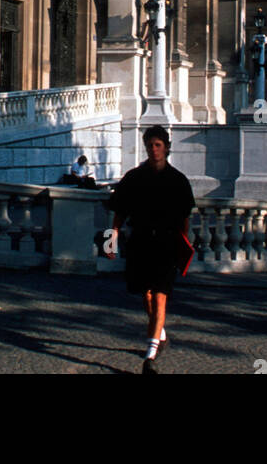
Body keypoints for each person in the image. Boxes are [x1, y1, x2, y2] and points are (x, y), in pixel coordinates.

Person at [106, 125, 195, 373]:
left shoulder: (178, 180)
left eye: (157, 145)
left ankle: (150, 354)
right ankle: (161, 333)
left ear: (166, 147)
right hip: (141, 243)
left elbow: (185, 218)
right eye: (149, 145)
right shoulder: (134, 177)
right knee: (146, 295)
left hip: (166, 244)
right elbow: (118, 214)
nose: (153, 150)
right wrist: (109, 242)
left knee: (159, 295)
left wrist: (183, 246)